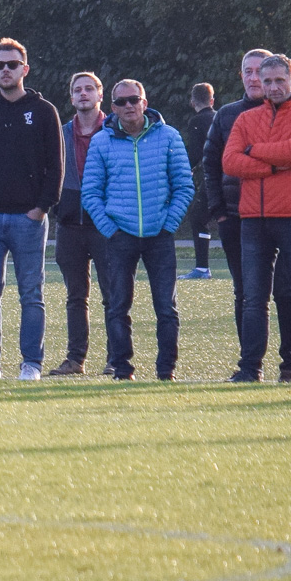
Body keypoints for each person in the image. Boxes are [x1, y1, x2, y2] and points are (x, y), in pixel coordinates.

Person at [223, 55, 291, 384]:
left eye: (279, 80)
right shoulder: (245, 119)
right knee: (253, 300)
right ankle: (250, 369)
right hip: (253, 220)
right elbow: (230, 162)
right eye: (266, 81)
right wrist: (273, 165)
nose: (272, 86)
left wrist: (253, 150)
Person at [0, 38, 62, 381]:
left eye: (12, 65)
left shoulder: (44, 111)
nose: (6, 70)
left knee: (31, 293)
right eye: (0, 65)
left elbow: (55, 165)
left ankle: (31, 363)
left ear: (25, 69)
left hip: (28, 218)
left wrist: (42, 207)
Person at [80, 80, 194, 381]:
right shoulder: (101, 142)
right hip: (120, 235)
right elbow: (90, 193)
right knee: (118, 306)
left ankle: (166, 370)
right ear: (113, 108)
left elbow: (184, 186)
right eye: (122, 102)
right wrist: (110, 229)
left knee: (166, 307)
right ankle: (122, 368)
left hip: (159, 235)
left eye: (134, 99)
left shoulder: (169, 136)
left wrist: (169, 224)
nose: (129, 106)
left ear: (145, 102)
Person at [203, 49, 291, 380]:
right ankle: (250, 366)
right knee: (246, 294)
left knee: (287, 292)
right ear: (242, 75)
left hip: (286, 216)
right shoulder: (228, 115)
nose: (255, 77)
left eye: (260, 71)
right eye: (248, 71)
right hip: (237, 218)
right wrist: (219, 211)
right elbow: (211, 164)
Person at [48, 72, 110, 376]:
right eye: (77, 90)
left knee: (114, 295)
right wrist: (58, 208)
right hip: (70, 225)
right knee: (75, 297)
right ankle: (75, 359)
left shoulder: (115, 130)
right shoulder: (60, 133)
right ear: (71, 97)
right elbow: (49, 173)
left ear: (100, 94)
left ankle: (117, 359)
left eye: (89, 89)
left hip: (107, 225)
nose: (83, 94)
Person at [183, 83, 217, 280]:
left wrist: (184, 170)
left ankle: (202, 268)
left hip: (214, 177)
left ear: (192, 102)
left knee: (198, 218)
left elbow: (196, 153)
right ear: (212, 100)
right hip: (233, 176)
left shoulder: (197, 121)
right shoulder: (220, 116)